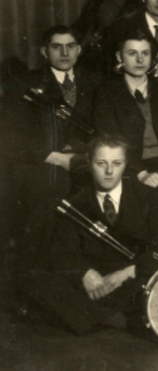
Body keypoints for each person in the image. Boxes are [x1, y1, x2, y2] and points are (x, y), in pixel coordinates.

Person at [28, 134, 158, 335]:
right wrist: (85, 273)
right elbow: (63, 253)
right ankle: (118, 318)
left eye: (116, 163)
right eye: (101, 163)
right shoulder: (75, 202)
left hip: (132, 279)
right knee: (35, 281)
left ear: (126, 164)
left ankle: (94, 316)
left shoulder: (148, 197)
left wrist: (127, 273)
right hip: (97, 285)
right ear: (89, 164)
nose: (109, 171)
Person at [9, 26, 102, 286]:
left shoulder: (95, 81)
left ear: (79, 50)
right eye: (56, 47)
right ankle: (36, 282)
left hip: (87, 159)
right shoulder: (26, 83)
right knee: (48, 196)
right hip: (44, 162)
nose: (64, 53)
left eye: (70, 46)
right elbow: (12, 137)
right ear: (43, 51)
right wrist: (57, 158)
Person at [92, 31, 158, 195]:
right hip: (131, 167)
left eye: (145, 53)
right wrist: (141, 174)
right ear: (119, 57)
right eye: (132, 53)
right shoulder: (106, 92)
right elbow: (111, 140)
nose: (140, 60)